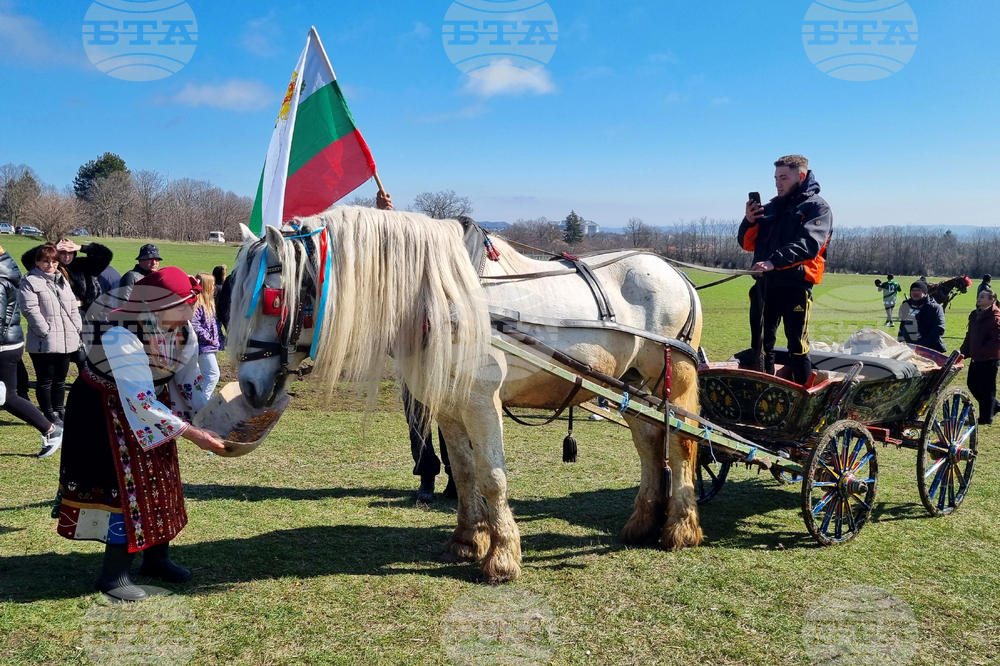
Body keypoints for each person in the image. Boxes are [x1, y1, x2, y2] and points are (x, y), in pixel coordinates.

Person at [54, 267, 226, 601]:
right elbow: (140, 399)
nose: (189, 315)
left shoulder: (182, 329)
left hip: (149, 405)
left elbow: (188, 382)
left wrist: (210, 418)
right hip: (104, 411)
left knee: (160, 480)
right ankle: (113, 576)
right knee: (124, 487)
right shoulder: (121, 334)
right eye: (181, 308)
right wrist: (193, 433)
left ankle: (156, 558)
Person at [737, 155, 833, 385]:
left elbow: (809, 244)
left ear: (800, 176)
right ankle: (765, 395)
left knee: (797, 347)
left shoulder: (817, 207)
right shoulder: (769, 208)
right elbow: (747, 244)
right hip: (765, 286)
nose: (778, 183)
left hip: (795, 286)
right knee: (760, 347)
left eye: (783, 178)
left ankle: (803, 400)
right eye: (775, 178)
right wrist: (749, 221)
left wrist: (774, 261)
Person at [0, 243, 62, 457]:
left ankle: (51, 430)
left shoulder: (0, 279)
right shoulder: (7, 268)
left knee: (8, 397)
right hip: (8, 344)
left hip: (4, 347)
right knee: (8, 396)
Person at [18, 244, 83, 427]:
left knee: (60, 380)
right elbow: (30, 309)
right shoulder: (30, 281)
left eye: (54, 261)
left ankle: (59, 410)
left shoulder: (62, 279)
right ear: (37, 261)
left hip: (66, 337)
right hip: (43, 340)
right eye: (45, 261)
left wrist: (77, 326)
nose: (50, 265)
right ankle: (48, 413)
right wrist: (44, 330)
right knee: (45, 380)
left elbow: (72, 306)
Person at [20, 239, 113, 318]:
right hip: (57, 313)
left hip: (82, 313)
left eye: (70, 253)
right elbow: (27, 259)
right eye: (62, 253)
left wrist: (81, 247)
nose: (67, 256)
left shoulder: (81, 265)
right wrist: (53, 249)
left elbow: (105, 256)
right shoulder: (49, 267)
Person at [960, 288, 1000, 424]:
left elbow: (996, 341)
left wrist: (981, 351)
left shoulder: (995, 317)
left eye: (983, 297)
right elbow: (970, 336)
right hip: (976, 358)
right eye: (979, 296)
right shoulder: (975, 314)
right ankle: (994, 406)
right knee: (972, 384)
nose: (979, 298)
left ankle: (985, 418)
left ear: (991, 300)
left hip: (989, 359)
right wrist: (964, 351)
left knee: (987, 388)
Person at [192, 272, 223, 400]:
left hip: (211, 346)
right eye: (213, 285)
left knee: (206, 376)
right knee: (213, 375)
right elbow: (194, 323)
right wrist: (208, 338)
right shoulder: (199, 305)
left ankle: (208, 400)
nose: (215, 287)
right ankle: (201, 402)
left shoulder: (209, 305)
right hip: (204, 346)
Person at [897, 280, 947, 353]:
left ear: (924, 292)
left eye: (919, 290)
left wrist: (922, 346)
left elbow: (939, 329)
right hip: (907, 347)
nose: (915, 293)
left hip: (928, 349)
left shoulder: (935, 308)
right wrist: (900, 341)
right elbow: (902, 324)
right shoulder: (906, 305)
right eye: (913, 290)